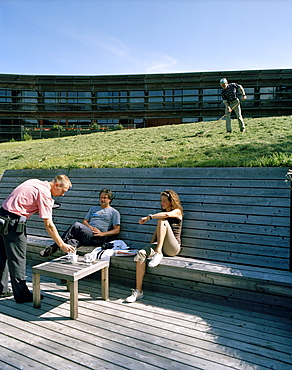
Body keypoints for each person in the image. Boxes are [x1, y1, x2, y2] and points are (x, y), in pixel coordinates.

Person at [0, 174, 75, 303]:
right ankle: (22, 295)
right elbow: (49, 225)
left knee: (1, 256)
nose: (63, 194)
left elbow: (26, 200)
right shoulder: (45, 193)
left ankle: (1, 290)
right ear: (56, 185)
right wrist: (61, 244)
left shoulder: (34, 182)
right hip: (13, 224)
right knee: (18, 260)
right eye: (63, 191)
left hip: (1, 218)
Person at [125, 189, 183, 303]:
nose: (162, 203)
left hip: (173, 248)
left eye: (164, 201)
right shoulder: (161, 216)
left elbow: (166, 215)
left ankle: (158, 253)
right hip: (160, 245)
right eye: (161, 201)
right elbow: (157, 234)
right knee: (141, 253)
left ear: (171, 201)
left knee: (162, 220)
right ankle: (138, 291)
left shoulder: (177, 211)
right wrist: (149, 248)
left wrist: (148, 217)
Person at [39, 188, 121, 257]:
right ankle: (68, 265)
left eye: (105, 198)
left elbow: (116, 230)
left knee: (76, 226)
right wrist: (90, 227)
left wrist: (102, 234)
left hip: (98, 238)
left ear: (110, 199)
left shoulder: (114, 212)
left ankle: (54, 247)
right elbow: (85, 222)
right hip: (88, 234)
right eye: (101, 197)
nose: (102, 200)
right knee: (71, 242)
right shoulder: (93, 209)